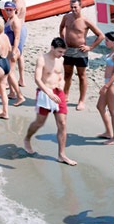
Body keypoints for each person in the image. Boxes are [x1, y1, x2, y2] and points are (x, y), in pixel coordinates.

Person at [24, 37, 77, 165]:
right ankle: (27, 139)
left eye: (63, 52)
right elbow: (37, 79)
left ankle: (61, 155)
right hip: (44, 93)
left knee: (62, 123)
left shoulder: (61, 60)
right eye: (59, 51)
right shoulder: (41, 59)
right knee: (39, 122)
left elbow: (61, 77)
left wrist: (62, 86)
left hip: (58, 93)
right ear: (52, 47)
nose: (61, 55)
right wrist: (48, 92)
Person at [58, 0, 103, 111]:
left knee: (81, 76)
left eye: (75, 7)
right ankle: (66, 95)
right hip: (68, 50)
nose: (73, 9)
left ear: (81, 7)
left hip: (80, 51)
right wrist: (62, 39)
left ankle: (81, 101)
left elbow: (101, 35)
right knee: (67, 74)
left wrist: (90, 47)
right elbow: (62, 27)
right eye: (71, 7)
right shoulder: (66, 17)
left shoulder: (85, 21)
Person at [94, 32, 114, 144]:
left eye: (107, 40)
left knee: (113, 112)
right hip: (109, 83)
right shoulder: (112, 52)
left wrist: (106, 86)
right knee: (100, 106)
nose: (105, 42)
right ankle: (108, 132)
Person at [0, 0, 26, 103]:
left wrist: (14, 51)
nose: (8, 11)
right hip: (9, 49)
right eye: (6, 9)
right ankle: (12, 92)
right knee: (9, 72)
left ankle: (19, 96)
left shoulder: (15, 21)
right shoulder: (9, 19)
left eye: (10, 9)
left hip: (13, 50)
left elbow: (17, 38)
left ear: (15, 10)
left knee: (10, 73)